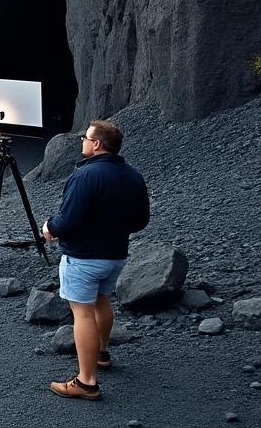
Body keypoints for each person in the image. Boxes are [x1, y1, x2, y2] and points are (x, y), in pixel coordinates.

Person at [42, 119, 149, 401]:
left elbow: (69, 220)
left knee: (83, 313)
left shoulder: (85, 176)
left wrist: (49, 228)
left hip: (84, 257)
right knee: (102, 301)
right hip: (115, 256)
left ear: (97, 144)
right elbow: (141, 220)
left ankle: (87, 382)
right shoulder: (133, 175)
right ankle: (101, 354)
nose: (83, 142)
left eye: (85, 138)